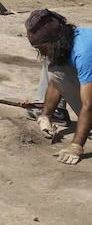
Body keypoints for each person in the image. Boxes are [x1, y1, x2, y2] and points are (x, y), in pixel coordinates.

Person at [24, 9, 92, 165]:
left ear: (56, 41)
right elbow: (57, 80)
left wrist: (76, 146)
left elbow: (89, 104)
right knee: (55, 66)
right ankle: (58, 114)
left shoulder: (84, 53)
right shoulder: (67, 41)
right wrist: (45, 115)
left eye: (42, 47)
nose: (40, 52)